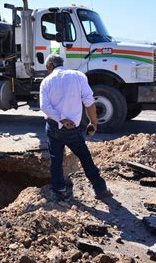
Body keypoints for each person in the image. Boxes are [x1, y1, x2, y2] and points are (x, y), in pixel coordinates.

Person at [39, 54, 112, 201]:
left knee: (56, 159)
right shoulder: (79, 76)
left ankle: (58, 191)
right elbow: (89, 101)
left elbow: (44, 106)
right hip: (73, 128)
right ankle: (100, 189)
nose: (47, 70)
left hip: (53, 126)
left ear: (50, 66)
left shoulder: (46, 81)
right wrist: (93, 122)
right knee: (85, 157)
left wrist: (61, 119)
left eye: (47, 67)